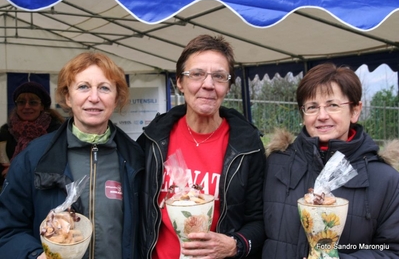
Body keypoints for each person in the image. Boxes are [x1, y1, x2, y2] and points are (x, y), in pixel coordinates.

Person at [0, 52, 145, 259]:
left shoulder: (135, 158)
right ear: (68, 97)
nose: (94, 98)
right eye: (83, 87)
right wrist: (34, 255)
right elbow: (7, 229)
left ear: (117, 98)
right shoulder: (35, 156)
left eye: (104, 88)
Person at [137, 34, 266, 259]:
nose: (208, 85)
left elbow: (259, 221)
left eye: (218, 76)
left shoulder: (248, 147)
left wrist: (235, 245)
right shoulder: (153, 140)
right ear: (179, 81)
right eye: (197, 74)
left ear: (227, 86)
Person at [263, 63, 399, 258]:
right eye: (312, 107)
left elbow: (392, 251)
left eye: (333, 105)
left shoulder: (386, 179)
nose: (322, 116)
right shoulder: (276, 164)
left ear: (355, 110)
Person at [0, 82, 64, 189]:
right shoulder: (5, 132)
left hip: (45, 191)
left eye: (33, 102)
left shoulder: (56, 131)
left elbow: (60, 164)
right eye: (21, 102)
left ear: (42, 106)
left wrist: (18, 172)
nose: (27, 106)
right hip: (11, 191)